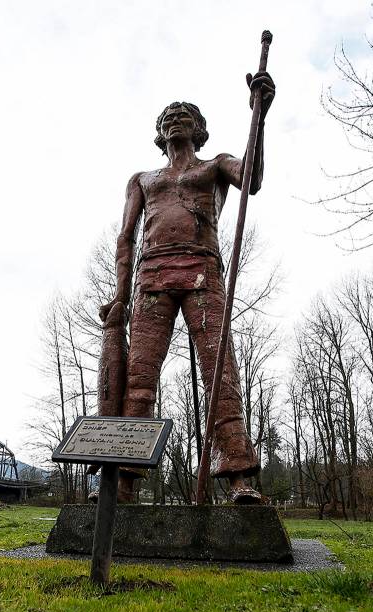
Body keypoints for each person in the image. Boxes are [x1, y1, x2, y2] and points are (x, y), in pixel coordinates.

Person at [101, 71, 275, 503]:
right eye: (169, 117)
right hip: (151, 277)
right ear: (159, 133)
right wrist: (120, 296)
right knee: (139, 379)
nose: (176, 120)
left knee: (220, 370)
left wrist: (260, 115)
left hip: (202, 272)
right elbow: (125, 238)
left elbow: (251, 178)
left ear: (198, 129)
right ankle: (123, 481)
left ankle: (238, 477)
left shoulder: (215, 165)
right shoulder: (142, 180)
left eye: (184, 115)